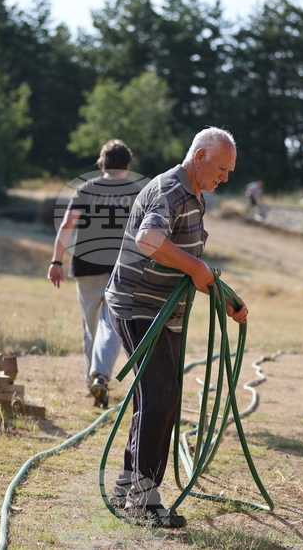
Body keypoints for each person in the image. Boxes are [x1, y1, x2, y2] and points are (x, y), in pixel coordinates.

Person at [104, 127, 249, 528]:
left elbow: (187, 266)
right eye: (222, 168)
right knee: (161, 394)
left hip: (163, 310)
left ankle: (130, 488)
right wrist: (198, 268)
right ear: (200, 157)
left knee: (159, 396)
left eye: (230, 170)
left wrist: (224, 298)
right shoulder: (171, 190)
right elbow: (149, 239)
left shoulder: (196, 194)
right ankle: (142, 499)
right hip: (139, 307)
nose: (226, 177)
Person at [47, 140, 144, 408]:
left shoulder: (85, 189)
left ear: (102, 162)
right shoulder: (135, 191)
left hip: (87, 268)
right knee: (112, 325)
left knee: (91, 327)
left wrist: (56, 260)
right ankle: (99, 376)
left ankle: (94, 379)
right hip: (121, 270)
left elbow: (68, 224)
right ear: (127, 164)